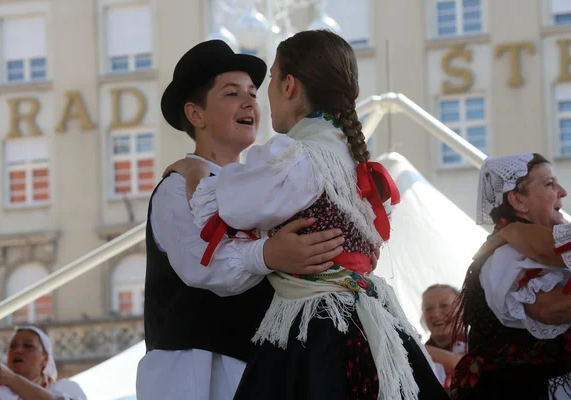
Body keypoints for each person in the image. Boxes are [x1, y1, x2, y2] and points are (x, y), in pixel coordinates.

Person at [170, 30, 447, 400]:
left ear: (289, 86)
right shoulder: (354, 161)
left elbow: (220, 209)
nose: (261, 95)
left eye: (268, 79)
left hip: (316, 329)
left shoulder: (292, 158)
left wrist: (195, 172)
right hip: (366, 315)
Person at [136, 39, 363, 400]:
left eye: (253, 93)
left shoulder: (269, 187)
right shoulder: (177, 188)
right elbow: (201, 264)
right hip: (198, 374)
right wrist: (269, 254)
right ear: (196, 115)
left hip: (259, 369)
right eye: (231, 94)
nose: (249, 102)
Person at [450, 153, 571, 399]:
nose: (562, 192)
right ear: (518, 200)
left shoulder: (533, 249)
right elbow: (551, 309)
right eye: (549, 184)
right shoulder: (506, 256)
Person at [0, 326, 86, 400]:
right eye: (13, 346)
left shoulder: (66, 388)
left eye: (28, 346)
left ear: (45, 359)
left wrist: (12, 379)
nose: (18, 350)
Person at [421, 284, 467, 391]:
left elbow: (461, 364)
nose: (436, 314)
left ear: (461, 309)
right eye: (428, 309)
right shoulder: (410, 360)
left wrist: (416, 348)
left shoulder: (479, 346)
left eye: (444, 305)